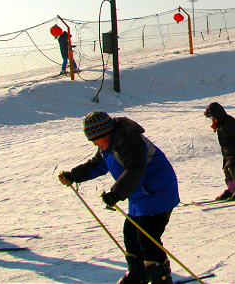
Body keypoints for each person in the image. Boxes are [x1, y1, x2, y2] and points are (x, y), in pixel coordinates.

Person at [58, 111, 179, 284]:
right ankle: (138, 274)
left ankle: (161, 279)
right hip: (139, 194)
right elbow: (97, 165)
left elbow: (135, 169)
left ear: (105, 133)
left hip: (158, 191)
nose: (95, 144)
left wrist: (117, 193)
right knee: (130, 234)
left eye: (96, 140)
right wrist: (74, 176)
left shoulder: (129, 140)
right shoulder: (108, 145)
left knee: (147, 237)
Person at [204, 102, 235, 201]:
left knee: (232, 167)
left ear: (218, 115)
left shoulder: (229, 122)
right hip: (227, 151)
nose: (212, 119)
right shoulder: (220, 124)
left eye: (212, 117)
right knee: (226, 169)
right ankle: (231, 189)